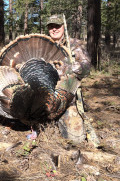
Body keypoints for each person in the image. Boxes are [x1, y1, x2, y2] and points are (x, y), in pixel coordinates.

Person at [46, 14, 91, 143]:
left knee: (75, 138)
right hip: (45, 97)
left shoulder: (75, 45)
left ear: (63, 27)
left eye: (57, 26)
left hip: (67, 98)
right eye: (51, 27)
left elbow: (86, 67)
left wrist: (67, 69)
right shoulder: (44, 44)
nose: (54, 29)